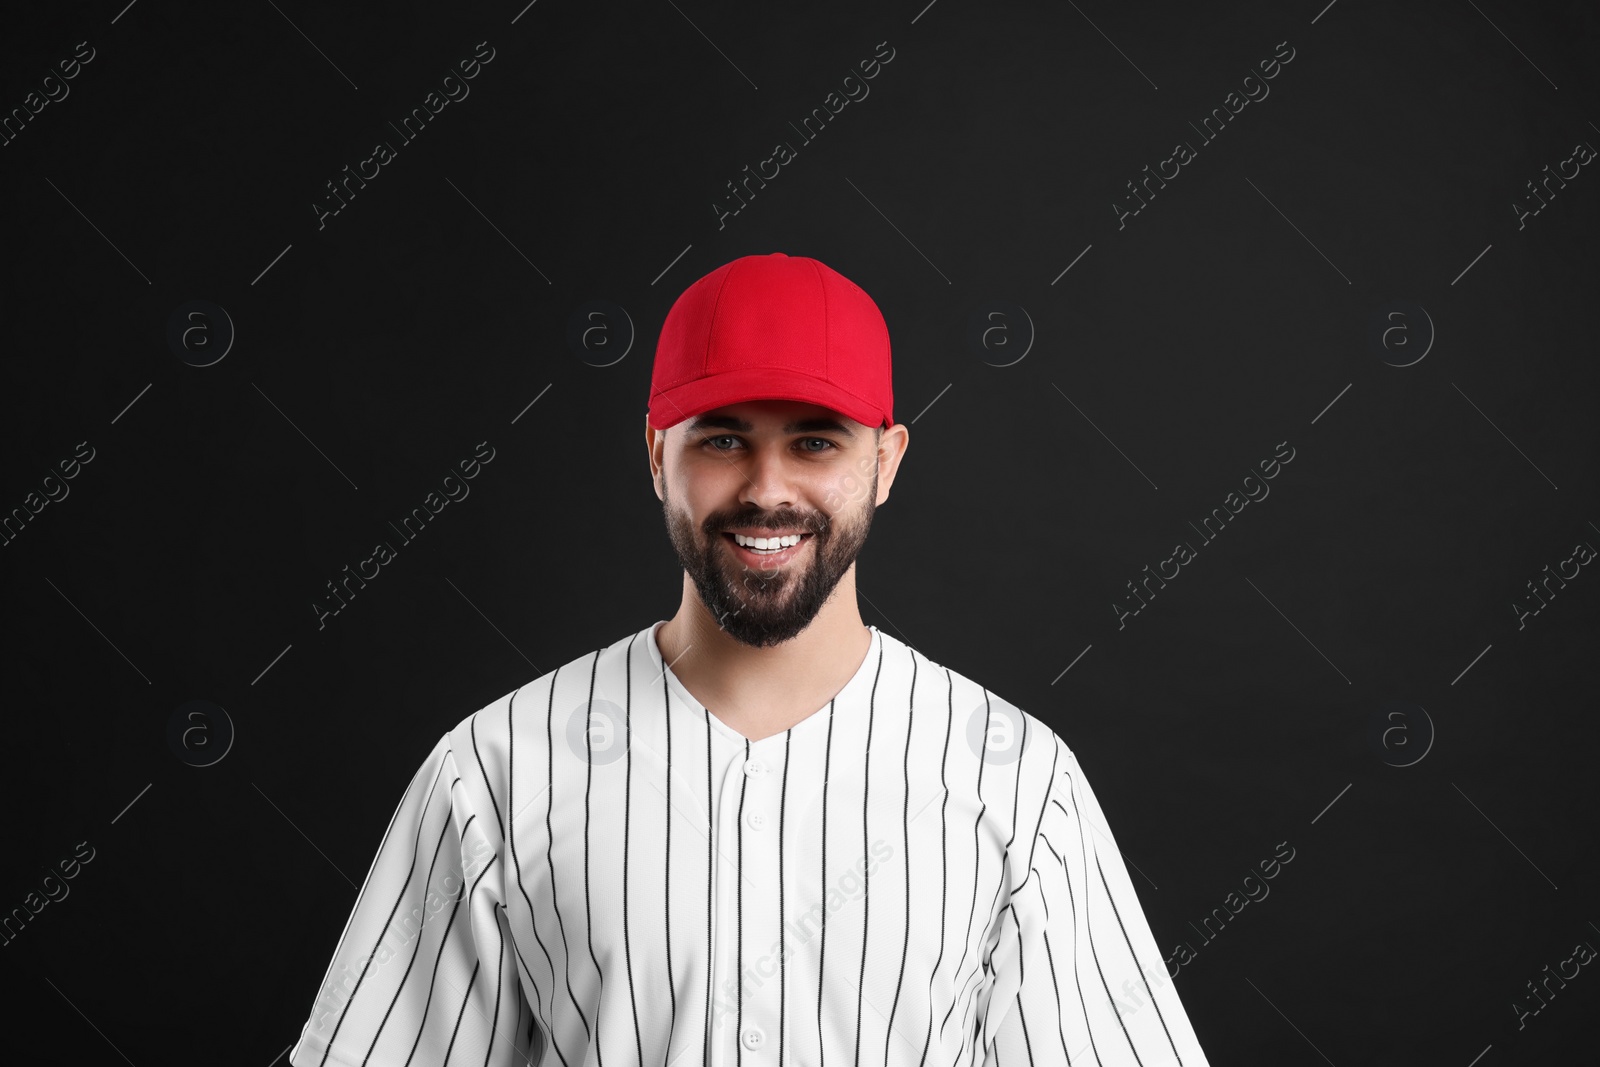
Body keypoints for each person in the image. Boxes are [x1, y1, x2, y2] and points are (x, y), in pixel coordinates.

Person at [289, 252, 1211, 1067]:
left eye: (815, 440)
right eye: (723, 438)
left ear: (886, 461)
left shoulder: (1015, 781)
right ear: (658, 455)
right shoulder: (497, 769)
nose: (767, 490)